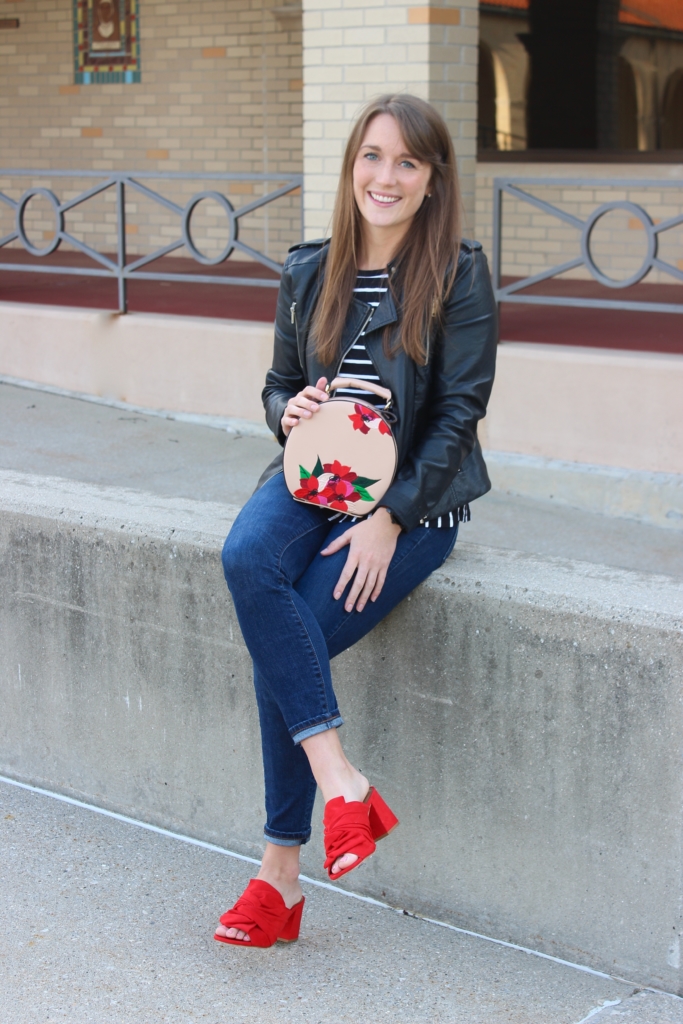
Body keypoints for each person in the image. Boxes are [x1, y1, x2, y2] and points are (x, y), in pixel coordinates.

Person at [215, 93, 497, 947]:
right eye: (372, 156)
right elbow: (273, 382)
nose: (386, 176)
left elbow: (459, 410)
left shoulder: (458, 271)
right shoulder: (309, 269)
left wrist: (393, 520)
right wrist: (286, 407)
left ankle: (278, 879)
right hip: (312, 481)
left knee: (283, 639)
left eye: (407, 162)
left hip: (415, 503)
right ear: (350, 167)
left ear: (431, 178)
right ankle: (341, 781)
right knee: (244, 559)